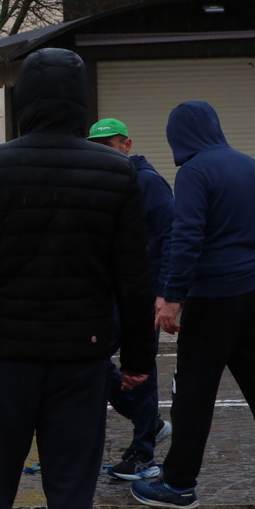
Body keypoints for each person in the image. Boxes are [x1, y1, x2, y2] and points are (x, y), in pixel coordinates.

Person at [0, 48, 153, 509]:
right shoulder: (115, 172)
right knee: (71, 486)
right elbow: (133, 277)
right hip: (81, 354)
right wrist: (137, 357)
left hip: (5, 353)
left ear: (25, 100)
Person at [131, 101, 255, 509]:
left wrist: (173, 295)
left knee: (193, 392)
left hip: (214, 298)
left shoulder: (194, 172)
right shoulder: (254, 167)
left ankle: (178, 485)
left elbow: (187, 234)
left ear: (179, 136)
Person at [87, 117, 175, 481]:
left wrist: (166, 293)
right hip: (108, 294)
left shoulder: (149, 182)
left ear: (127, 145)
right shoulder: (96, 183)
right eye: (95, 148)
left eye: (108, 146)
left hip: (142, 295)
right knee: (92, 360)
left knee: (142, 373)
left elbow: (170, 235)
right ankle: (149, 426)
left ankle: (143, 452)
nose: (101, 154)